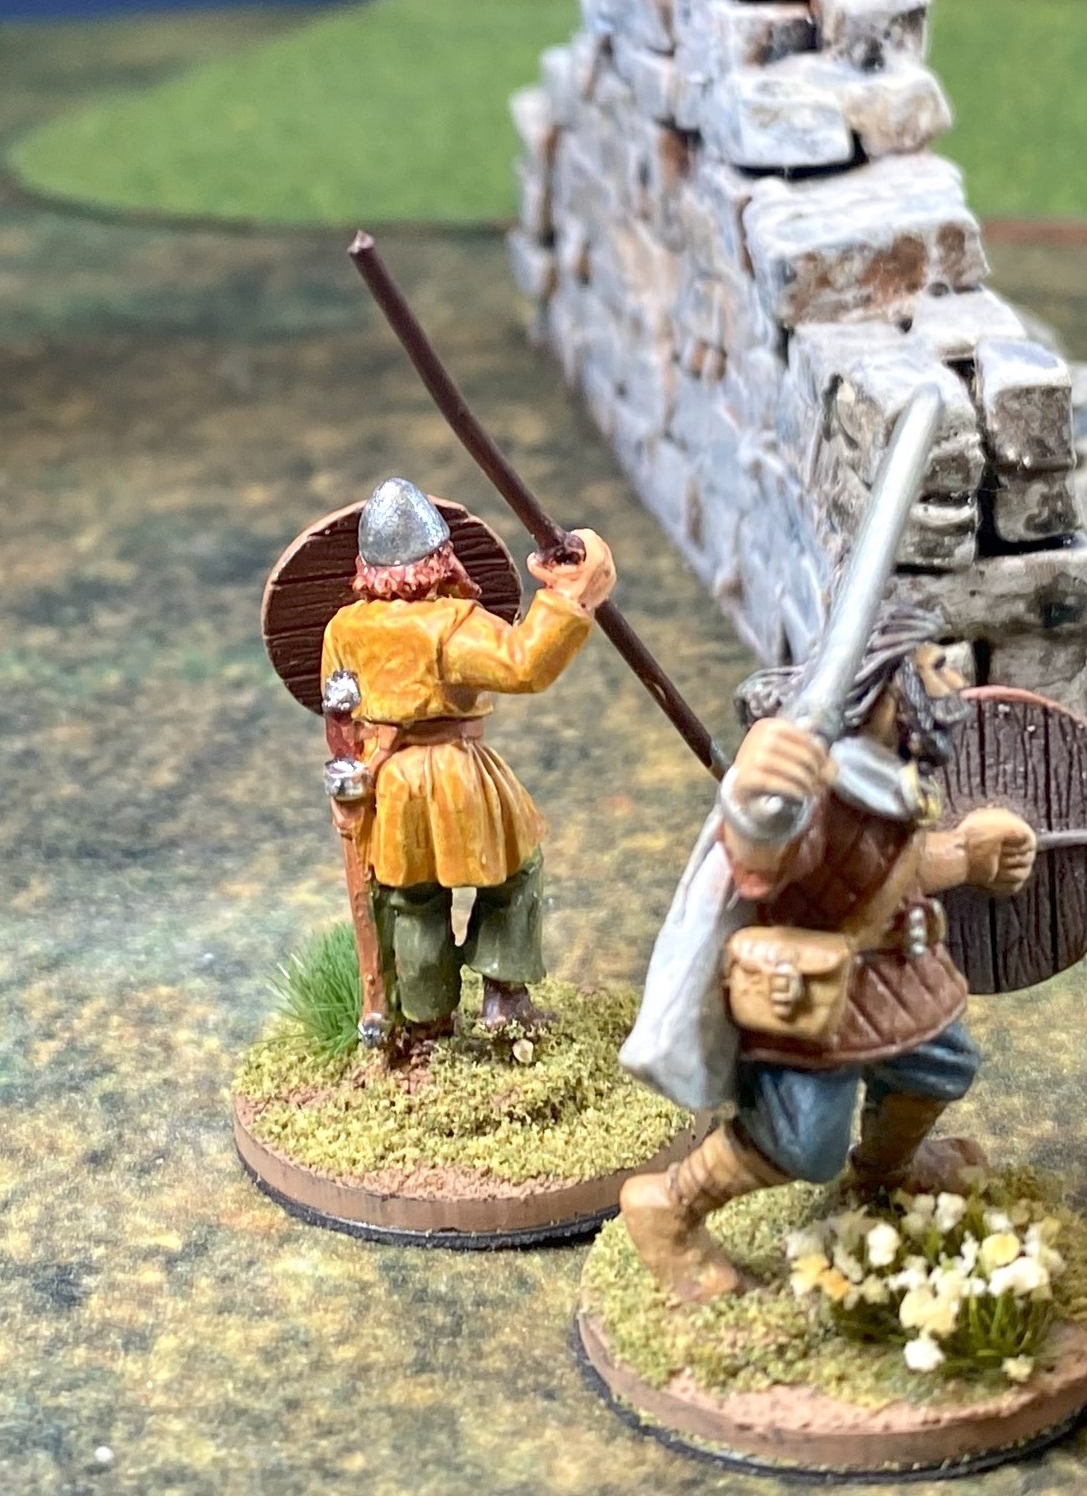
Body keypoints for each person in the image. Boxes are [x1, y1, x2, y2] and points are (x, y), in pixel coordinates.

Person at [617, 601, 1041, 1305]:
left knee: (941, 1066)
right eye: (930, 663)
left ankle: (885, 1170)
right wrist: (754, 796)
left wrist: (970, 856)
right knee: (801, 1143)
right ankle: (669, 1205)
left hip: (894, 977)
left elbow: (891, 868)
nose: (949, 674)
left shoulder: (893, 779)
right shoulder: (813, 786)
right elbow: (764, 857)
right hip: (814, 994)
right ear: (884, 690)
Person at [318, 478, 615, 1057]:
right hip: (457, 776)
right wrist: (570, 597)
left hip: (390, 784)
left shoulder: (344, 629)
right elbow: (523, 663)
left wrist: (350, 776)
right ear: (440, 558)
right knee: (514, 873)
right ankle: (504, 995)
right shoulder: (452, 623)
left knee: (411, 900)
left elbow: (338, 710)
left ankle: (425, 1022)